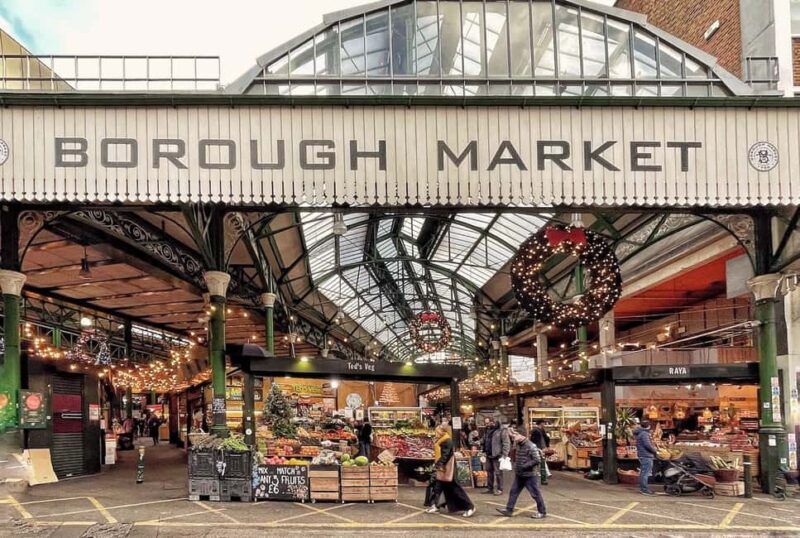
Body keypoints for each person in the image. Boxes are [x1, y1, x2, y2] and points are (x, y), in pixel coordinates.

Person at [496, 425, 546, 519]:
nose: (513, 437)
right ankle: (509, 510)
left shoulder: (531, 446)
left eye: (516, 434)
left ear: (522, 435)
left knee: (535, 494)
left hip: (530, 475)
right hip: (520, 474)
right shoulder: (519, 444)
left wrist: (524, 466)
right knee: (513, 491)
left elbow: (537, 460)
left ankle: (542, 511)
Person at [428, 424, 475, 517]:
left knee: (455, 488)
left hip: (447, 469)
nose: (435, 433)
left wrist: (438, 464)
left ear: (442, 432)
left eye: (437, 431)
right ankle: (435, 505)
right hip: (443, 468)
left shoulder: (447, 441)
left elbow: (445, 455)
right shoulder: (442, 440)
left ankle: (470, 507)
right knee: (437, 487)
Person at [483, 418, 510, 495]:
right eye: (487, 423)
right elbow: (485, 440)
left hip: (497, 455)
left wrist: (504, 454)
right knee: (489, 472)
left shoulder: (502, 431)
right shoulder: (487, 430)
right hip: (489, 454)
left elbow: (506, 443)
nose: (488, 424)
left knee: (498, 473)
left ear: (495, 423)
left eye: (489, 423)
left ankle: (500, 489)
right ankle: (490, 488)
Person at [635, 420, 658, 495]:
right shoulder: (644, 434)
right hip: (646, 455)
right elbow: (647, 445)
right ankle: (644, 489)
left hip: (643, 454)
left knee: (643, 472)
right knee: (645, 473)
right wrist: (655, 450)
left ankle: (643, 488)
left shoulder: (641, 433)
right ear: (648, 426)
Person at [530, 420, 551, 485]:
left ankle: (541, 473)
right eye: (543, 423)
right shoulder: (536, 430)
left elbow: (545, 439)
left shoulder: (540, 430)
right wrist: (539, 447)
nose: (544, 424)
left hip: (540, 447)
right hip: (538, 447)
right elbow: (536, 440)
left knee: (540, 460)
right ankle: (545, 473)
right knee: (540, 460)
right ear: (540, 423)